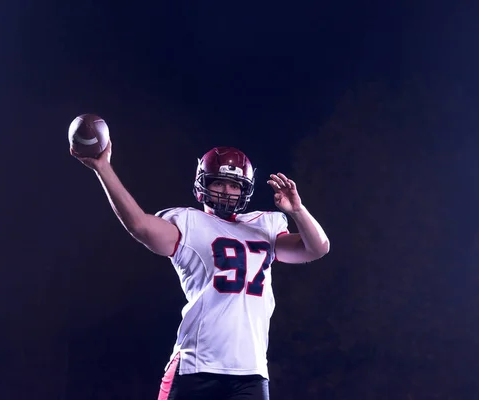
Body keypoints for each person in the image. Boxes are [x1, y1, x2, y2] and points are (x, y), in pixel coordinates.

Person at [71, 141, 330, 400]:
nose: (226, 191)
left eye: (234, 184)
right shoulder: (189, 223)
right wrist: (103, 168)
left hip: (250, 372)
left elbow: (317, 248)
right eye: (218, 182)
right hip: (196, 367)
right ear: (203, 185)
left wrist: (298, 210)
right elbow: (139, 225)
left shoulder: (264, 225)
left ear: (245, 190)